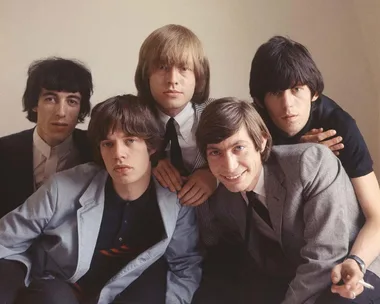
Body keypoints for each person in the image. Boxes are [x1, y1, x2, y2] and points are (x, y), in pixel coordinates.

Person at [0, 94, 202, 304]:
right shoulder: (63, 187)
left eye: (130, 141)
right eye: (108, 144)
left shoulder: (175, 199)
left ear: (151, 147)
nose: (118, 154)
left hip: (124, 289)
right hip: (62, 284)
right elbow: (6, 237)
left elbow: (185, 264)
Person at [193, 97, 380, 304]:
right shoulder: (225, 200)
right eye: (215, 152)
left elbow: (326, 255)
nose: (229, 166)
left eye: (238, 148)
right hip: (298, 276)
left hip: (355, 269)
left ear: (262, 141)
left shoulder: (311, 163)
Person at [249, 35, 380, 299]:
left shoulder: (339, 126)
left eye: (297, 89)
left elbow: (376, 216)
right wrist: (298, 151)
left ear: (314, 91)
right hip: (297, 252)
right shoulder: (256, 122)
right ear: (262, 100)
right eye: (275, 92)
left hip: (358, 247)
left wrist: (357, 261)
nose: (287, 104)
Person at [134, 24, 217, 242]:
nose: (172, 79)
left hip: (223, 236)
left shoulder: (219, 115)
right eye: (162, 67)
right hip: (155, 239)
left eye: (183, 68)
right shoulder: (130, 120)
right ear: (146, 74)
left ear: (199, 76)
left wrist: (214, 176)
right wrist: (148, 163)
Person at [0, 57, 93, 218]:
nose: (61, 112)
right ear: (35, 103)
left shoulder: (95, 151)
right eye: (50, 99)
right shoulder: (4, 151)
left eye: (72, 101)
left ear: (81, 108)